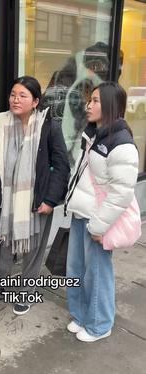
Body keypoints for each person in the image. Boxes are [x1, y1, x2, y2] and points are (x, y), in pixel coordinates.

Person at [0, 76, 70, 315]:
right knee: (3, 244)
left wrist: (51, 200)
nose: (15, 99)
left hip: (37, 199)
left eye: (22, 96)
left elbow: (62, 166)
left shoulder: (48, 126)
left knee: (34, 248)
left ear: (35, 101)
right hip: (5, 199)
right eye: (12, 94)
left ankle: (27, 290)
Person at [64, 82, 139, 342]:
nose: (89, 105)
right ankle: (81, 314)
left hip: (97, 220)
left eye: (95, 101)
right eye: (89, 100)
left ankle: (99, 324)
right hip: (81, 212)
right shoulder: (95, 134)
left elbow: (121, 193)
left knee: (97, 272)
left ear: (110, 105)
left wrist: (99, 227)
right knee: (75, 269)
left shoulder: (121, 142)